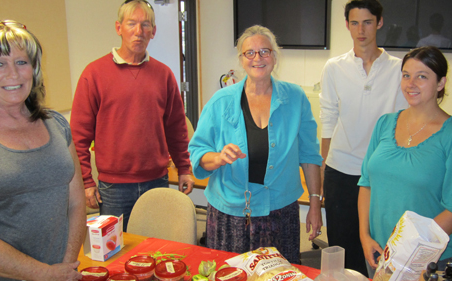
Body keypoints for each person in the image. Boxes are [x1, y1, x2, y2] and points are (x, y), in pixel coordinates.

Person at [188, 25, 323, 264]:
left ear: (275, 56)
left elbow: (310, 155)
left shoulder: (295, 98)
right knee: (230, 274)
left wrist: (315, 204)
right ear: (241, 59)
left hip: (280, 213)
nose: (257, 58)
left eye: (264, 51)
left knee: (279, 276)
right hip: (229, 214)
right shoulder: (221, 101)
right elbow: (198, 152)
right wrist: (218, 157)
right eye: (250, 53)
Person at [0, 19, 85, 280]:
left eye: (22, 62)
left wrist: (65, 267)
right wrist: (43, 274)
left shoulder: (56, 124)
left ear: (34, 69)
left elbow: (76, 202)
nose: (13, 74)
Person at [70, 0, 194, 230]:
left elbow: (176, 128)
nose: (139, 32)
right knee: (117, 253)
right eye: (132, 24)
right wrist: (86, 181)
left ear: (153, 31)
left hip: (157, 181)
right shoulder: (94, 74)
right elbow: (78, 136)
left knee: (157, 249)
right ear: (119, 28)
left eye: (146, 25)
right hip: (114, 188)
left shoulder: (164, 75)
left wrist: (184, 169)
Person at [358, 46, 452, 276]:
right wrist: (365, 235)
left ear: (440, 83)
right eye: (406, 75)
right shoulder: (385, 123)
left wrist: (406, 252)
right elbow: (366, 184)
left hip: (429, 258)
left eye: (422, 76)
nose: (411, 83)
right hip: (380, 250)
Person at [319, 0, 408, 275]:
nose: (361, 30)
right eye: (354, 23)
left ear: (379, 23)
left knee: (382, 251)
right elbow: (328, 119)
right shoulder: (334, 67)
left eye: (367, 22)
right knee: (344, 253)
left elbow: (404, 121)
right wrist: (324, 172)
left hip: (382, 173)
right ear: (347, 25)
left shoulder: (400, 67)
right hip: (341, 171)